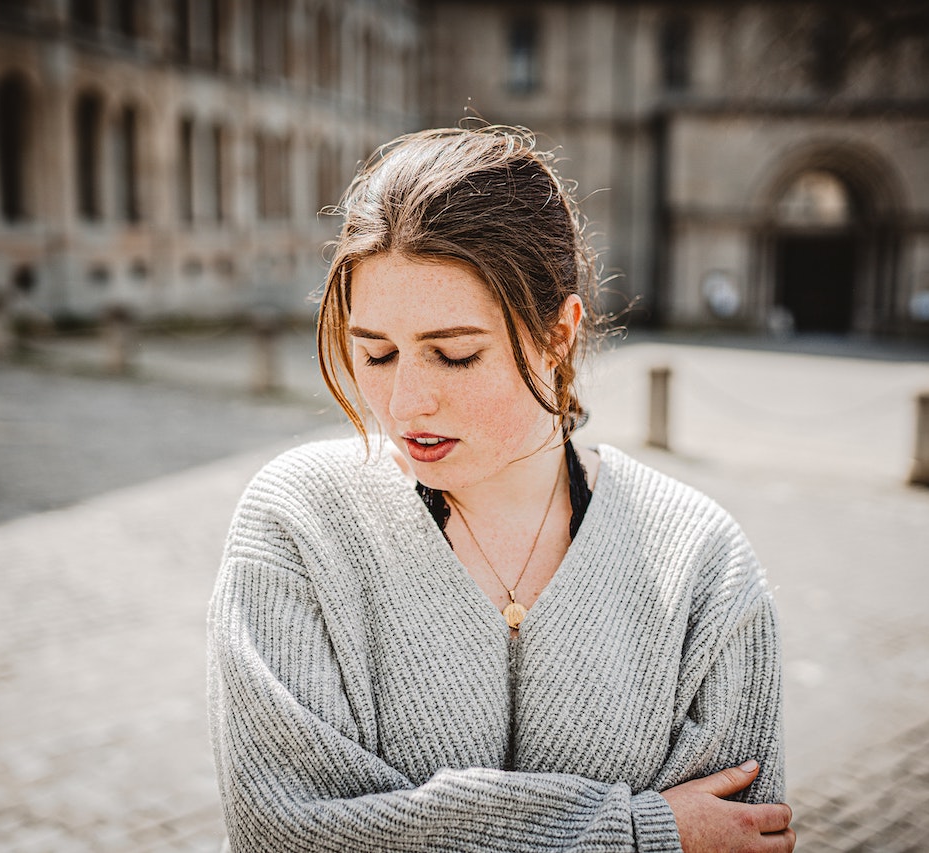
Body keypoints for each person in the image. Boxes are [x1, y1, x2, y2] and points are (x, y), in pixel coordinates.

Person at [207, 125, 793, 852]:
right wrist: (641, 833)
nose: (405, 403)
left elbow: (744, 835)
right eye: (375, 352)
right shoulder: (298, 525)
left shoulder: (703, 563)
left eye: (455, 355)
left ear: (560, 333)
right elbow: (286, 833)